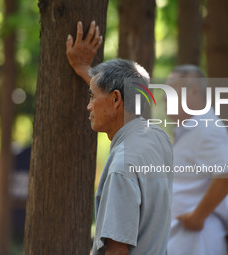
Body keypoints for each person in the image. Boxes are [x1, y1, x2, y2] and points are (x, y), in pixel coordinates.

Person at [67, 21, 173, 255]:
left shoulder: (122, 166)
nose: (88, 106)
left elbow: (117, 249)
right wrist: (86, 69)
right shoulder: (159, 139)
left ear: (116, 100)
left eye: (92, 97)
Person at [165, 66, 228, 255]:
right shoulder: (190, 130)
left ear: (193, 91)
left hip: (198, 244)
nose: (165, 98)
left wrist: (198, 216)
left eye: (171, 92)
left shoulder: (206, 128)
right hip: (185, 243)